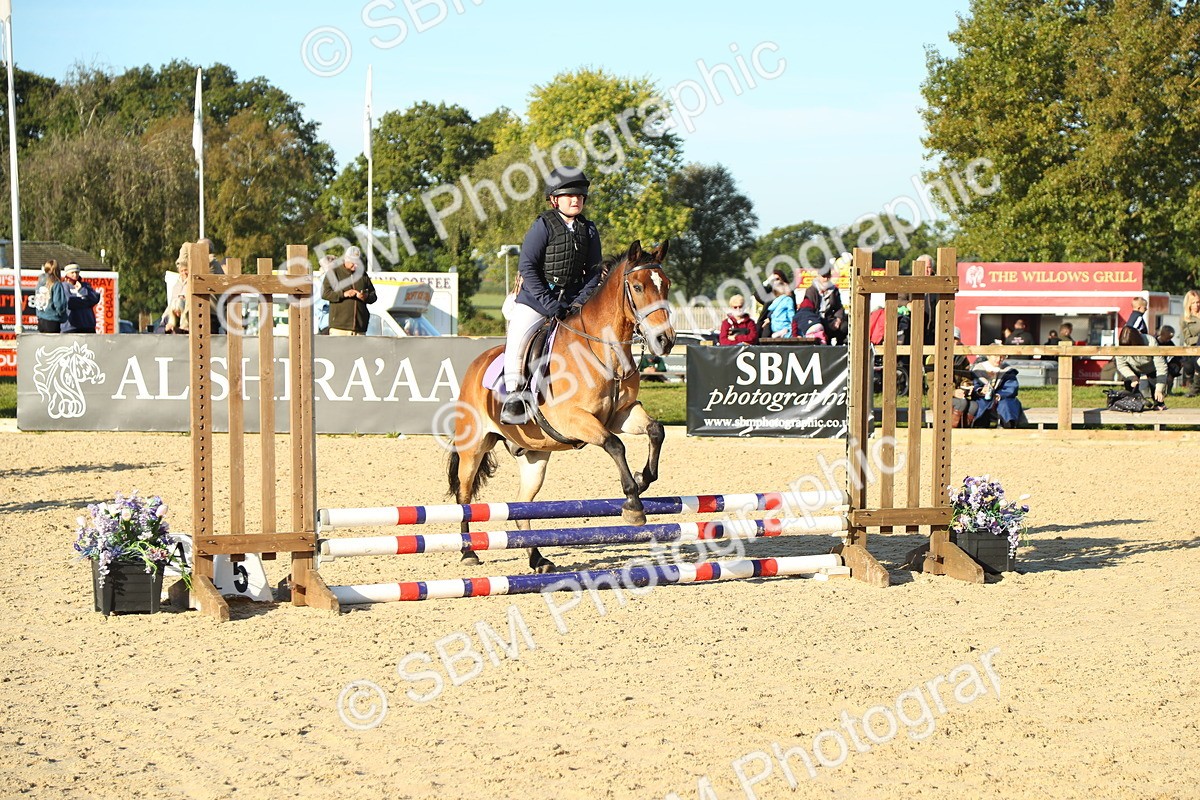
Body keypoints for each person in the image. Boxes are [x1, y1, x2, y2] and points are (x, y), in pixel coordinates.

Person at [501, 167, 603, 425]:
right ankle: (514, 393)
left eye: (580, 196)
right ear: (555, 199)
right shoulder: (543, 225)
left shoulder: (589, 230)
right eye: (570, 195)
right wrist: (549, 304)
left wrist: (580, 301)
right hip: (536, 300)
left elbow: (594, 271)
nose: (576, 200)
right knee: (519, 334)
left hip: (572, 301)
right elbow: (528, 267)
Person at [321, 246, 377, 336]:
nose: (356, 265)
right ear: (346, 259)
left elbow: (373, 296)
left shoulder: (362, 275)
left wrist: (365, 297)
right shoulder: (334, 273)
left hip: (360, 328)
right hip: (339, 328)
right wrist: (343, 294)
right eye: (353, 262)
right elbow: (325, 293)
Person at [1115, 326, 1167, 409]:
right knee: (1129, 390)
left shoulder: (1150, 342)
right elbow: (1121, 365)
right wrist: (1132, 377)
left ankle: (1159, 408)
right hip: (1132, 368)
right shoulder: (1120, 346)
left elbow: (1161, 367)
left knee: (1158, 396)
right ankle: (1130, 410)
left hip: (1151, 368)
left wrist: (1159, 389)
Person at [799, 258, 847, 345]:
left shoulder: (834, 290)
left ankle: (840, 348)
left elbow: (839, 307)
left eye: (828, 276)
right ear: (818, 276)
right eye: (823, 276)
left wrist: (838, 319)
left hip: (829, 319)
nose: (825, 279)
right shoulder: (811, 290)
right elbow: (808, 310)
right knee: (819, 327)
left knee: (844, 326)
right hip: (815, 319)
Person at [57, 263, 100, 333]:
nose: (75, 275)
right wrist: (86, 301)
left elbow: (95, 299)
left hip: (88, 325)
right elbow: (69, 303)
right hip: (70, 327)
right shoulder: (63, 286)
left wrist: (81, 290)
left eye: (77, 272)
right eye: (72, 273)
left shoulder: (85, 286)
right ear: (67, 274)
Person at [33, 259, 68, 332]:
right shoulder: (56, 283)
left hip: (41, 320)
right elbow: (59, 303)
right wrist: (62, 315)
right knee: (53, 343)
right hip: (52, 320)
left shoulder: (40, 282)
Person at [763, 268, 795, 339]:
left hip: (782, 323)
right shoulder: (770, 294)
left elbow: (791, 311)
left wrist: (770, 318)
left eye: (777, 279)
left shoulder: (789, 295)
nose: (775, 282)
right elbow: (757, 294)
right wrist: (767, 281)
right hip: (770, 322)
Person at [161, 259, 190, 333]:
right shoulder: (176, 286)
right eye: (182, 271)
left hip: (186, 316)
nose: (184, 273)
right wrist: (164, 317)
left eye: (186, 270)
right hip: (174, 313)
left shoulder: (192, 284)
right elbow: (171, 303)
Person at [1180, 290, 1200, 396]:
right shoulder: (1185, 319)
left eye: (1198, 302)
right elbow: (1187, 339)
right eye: (1193, 303)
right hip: (1194, 349)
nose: (1196, 305)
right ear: (1188, 304)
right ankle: (1195, 389)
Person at [1156, 326, 1183, 393]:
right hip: (1157, 364)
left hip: (1167, 364)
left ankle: (1169, 391)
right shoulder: (1155, 342)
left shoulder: (1170, 343)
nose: (1168, 340)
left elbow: (1176, 353)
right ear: (1162, 334)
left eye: (1170, 338)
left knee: (1170, 374)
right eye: (1167, 338)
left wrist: (1180, 362)